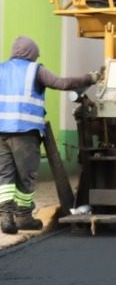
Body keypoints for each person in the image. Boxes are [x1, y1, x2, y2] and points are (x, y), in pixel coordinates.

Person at [0, 36, 99, 235]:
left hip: (1, 132)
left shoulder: (2, 68)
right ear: (31, 53)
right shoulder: (35, 70)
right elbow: (61, 83)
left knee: (5, 175)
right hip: (25, 131)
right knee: (26, 176)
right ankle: (24, 217)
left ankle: (5, 216)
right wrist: (90, 78)